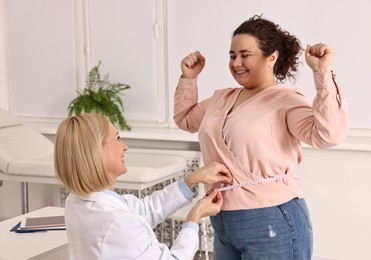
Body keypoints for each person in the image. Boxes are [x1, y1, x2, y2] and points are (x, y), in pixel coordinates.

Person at [174, 15, 349, 259]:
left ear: (272, 57)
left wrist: (322, 73)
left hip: (271, 220)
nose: (236, 63)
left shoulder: (286, 100)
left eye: (245, 55)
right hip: (222, 220)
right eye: (232, 55)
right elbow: (185, 119)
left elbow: (328, 135)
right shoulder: (221, 98)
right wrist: (189, 78)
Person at [54, 113, 232, 260]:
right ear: (95, 151)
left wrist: (191, 180)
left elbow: (145, 209)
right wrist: (195, 216)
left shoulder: (76, 200)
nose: (125, 147)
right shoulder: (116, 222)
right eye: (117, 138)